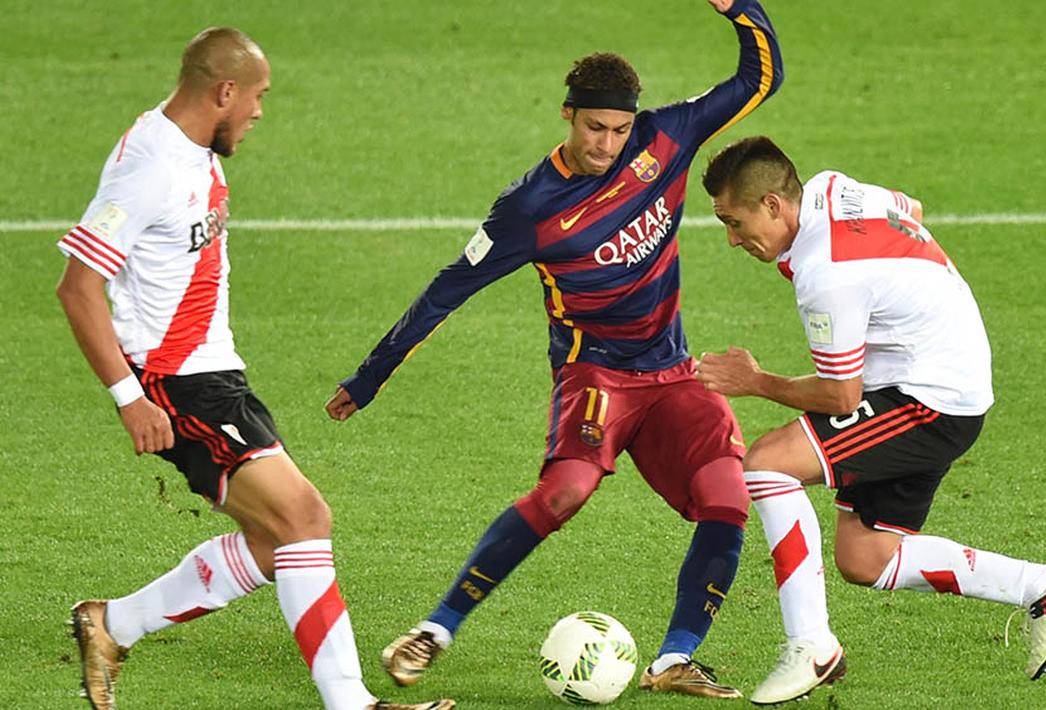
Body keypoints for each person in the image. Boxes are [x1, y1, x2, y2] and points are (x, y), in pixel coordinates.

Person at [324, 0, 781, 699]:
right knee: (564, 491)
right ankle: (436, 628)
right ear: (567, 115)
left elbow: (758, 78)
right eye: (594, 128)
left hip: (671, 370)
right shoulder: (529, 210)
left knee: (727, 497)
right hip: (594, 375)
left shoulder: (665, 139)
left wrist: (738, 8)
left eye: (618, 129)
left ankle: (673, 658)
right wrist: (370, 377)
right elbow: (445, 291)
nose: (606, 144)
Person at [56, 27, 453, 710]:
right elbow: (77, 286)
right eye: (258, 96)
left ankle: (113, 623)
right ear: (225, 91)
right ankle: (350, 703)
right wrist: (128, 397)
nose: (260, 112)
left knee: (277, 546)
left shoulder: (192, 150)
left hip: (218, 376)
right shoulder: (150, 166)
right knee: (304, 517)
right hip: (173, 383)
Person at [694, 135, 1046, 705]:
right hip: (949, 376)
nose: (733, 239)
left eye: (735, 222)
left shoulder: (823, 273)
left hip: (928, 400)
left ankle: (810, 646)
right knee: (866, 558)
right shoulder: (833, 188)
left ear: (774, 206)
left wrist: (755, 381)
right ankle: (1045, 586)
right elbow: (910, 210)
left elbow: (838, 396)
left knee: (766, 466)